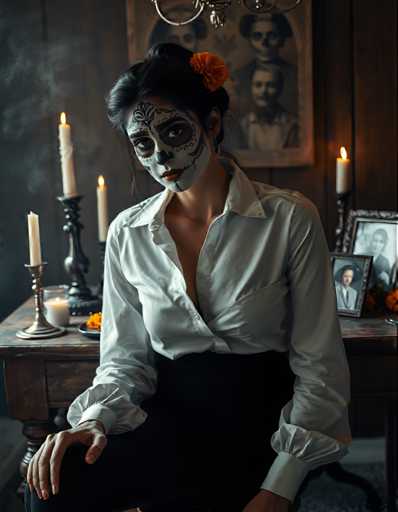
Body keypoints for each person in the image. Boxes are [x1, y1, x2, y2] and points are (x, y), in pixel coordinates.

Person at [24, 44, 351, 512]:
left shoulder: (289, 219)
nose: (162, 157)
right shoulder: (127, 233)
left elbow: (320, 368)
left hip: (259, 433)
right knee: (54, 481)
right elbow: (124, 362)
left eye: (175, 131)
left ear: (212, 124)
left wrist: (279, 487)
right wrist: (93, 421)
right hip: (167, 425)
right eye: (143, 144)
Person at [234, 13, 298, 117]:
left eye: (272, 35)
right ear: (249, 40)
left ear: (282, 39)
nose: (264, 42)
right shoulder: (239, 76)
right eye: (257, 36)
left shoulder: (294, 74)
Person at [240, 66, 299, 150]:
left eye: (271, 85)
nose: (263, 91)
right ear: (251, 88)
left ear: (280, 89)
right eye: (258, 85)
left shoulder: (292, 125)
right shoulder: (242, 125)